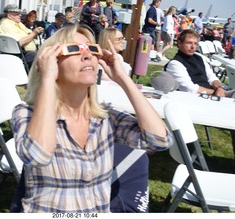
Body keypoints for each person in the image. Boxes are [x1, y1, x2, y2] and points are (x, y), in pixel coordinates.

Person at [11, 24, 173, 212]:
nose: (87, 55)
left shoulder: (104, 117)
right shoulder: (27, 113)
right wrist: (47, 79)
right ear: (50, 62)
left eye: (91, 49)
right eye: (73, 49)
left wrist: (123, 79)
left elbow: (160, 141)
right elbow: (37, 155)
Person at [97, 27, 151, 212]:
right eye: (119, 39)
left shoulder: (120, 63)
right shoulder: (109, 63)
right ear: (109, 41)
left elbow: (160, 139)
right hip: (108, 110)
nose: (123, 41)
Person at [164, 29, 235, 155]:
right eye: (189, 43)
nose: (193, 47)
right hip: (198, 101)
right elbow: (191, 89)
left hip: (213, 95)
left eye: (195, 44)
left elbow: (212, 77)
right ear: (179, 43)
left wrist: (219, 88)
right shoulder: (175, 64)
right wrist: (214, 92)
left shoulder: (199, 58)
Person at [0, 4, 43, 69]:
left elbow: (29, 32)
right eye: (17, 13)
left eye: (20, 13)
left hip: (26, 52)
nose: (20, 15)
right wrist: (33, 33)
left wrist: (35, 32)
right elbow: (18, 43)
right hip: (21, 54)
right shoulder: (7, 25)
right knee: (43, 57)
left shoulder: (18, 23)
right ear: (9, 16)